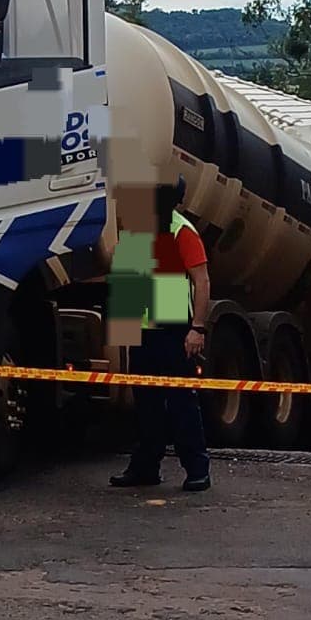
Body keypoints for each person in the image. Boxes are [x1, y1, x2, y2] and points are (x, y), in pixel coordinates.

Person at [111, 177, 212, 492]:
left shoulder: (181, 230)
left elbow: (202, 280)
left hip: (172, 326)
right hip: (143, 330)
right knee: (146, 405)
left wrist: (197, 328)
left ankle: (197, 469)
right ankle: (145, 468)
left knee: (181, 401)